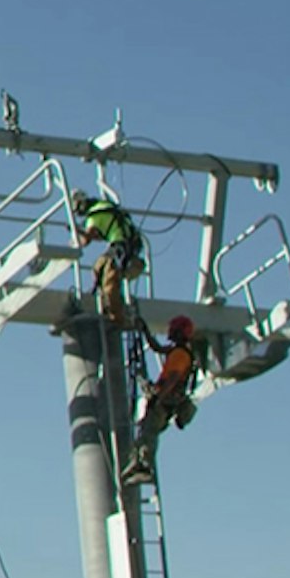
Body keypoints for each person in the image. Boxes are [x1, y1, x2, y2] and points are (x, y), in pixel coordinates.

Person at [120, 315, 197, 486]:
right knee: (145, 430)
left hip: (166, 401)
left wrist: (159, 398)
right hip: (166, 400)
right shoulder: (177, 351)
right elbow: (157, 348)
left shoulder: (180, 355)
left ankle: (144, 467)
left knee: (149, 431)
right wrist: (145, 331)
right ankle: (138, 464)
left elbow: (173, 378)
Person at [70, 190, 145, 325]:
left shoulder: (93, 216)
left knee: (109, 274)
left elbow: (87, 239)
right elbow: (100, 234)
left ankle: (116, 317)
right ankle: (104, 298)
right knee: (99, 266)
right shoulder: (103, 206)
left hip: (121, 246)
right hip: (130, 245)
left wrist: (75, 237)